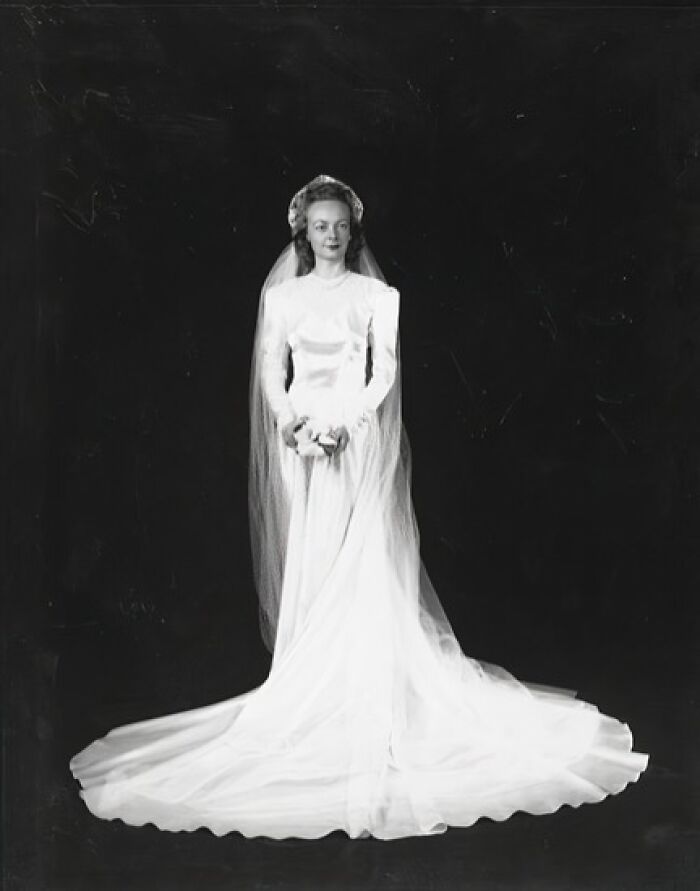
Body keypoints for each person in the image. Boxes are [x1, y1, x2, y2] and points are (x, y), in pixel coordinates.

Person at [69, 174, 649, 840]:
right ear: (303, 231)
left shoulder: (378, 296)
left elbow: (382, 372)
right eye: (320, 226)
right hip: (302, 446)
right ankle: (313, 693)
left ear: (353, 229)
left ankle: (372, 697)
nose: (331, 235)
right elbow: (269, 370)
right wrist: (296, 421)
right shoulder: (283, 298)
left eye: (340, 224)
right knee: (315, 559)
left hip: (355, 440)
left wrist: (345, 420)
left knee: (365, 560)